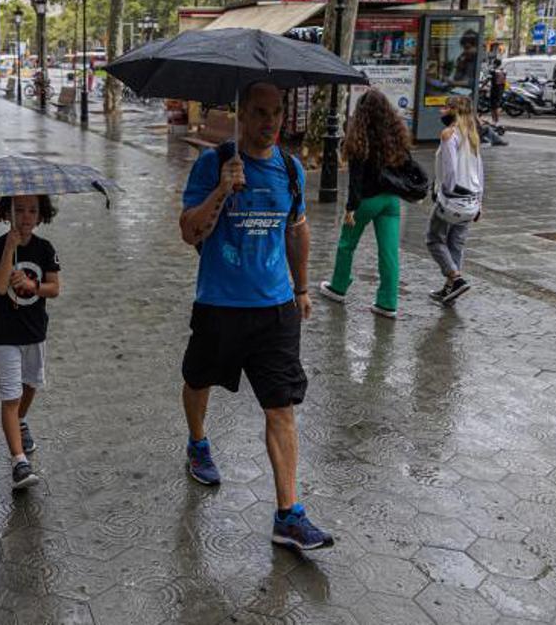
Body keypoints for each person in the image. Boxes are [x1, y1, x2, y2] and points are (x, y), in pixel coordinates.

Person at [177, 81, 333, 552]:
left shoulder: (289, 169)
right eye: (261, 113)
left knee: (280, 408)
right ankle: (198, 442)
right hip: (220, 304)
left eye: (277, 112)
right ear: (243, 114)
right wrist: (223, 188)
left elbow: (297, 230)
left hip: (275, 309)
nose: (270, 122)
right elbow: (189, 231)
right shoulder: (213, 163)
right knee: (197, 380)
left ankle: (288, 514)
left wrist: (302, 288)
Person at [0, 196, 61, 489]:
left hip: (34, 333)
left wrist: (33, 286)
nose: (26, 216)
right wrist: (9, 249)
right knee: (11, 396)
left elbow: (54, 289)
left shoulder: (45, 249)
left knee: (30, 385)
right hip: (5, 336)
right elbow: (1, 285)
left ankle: (20, 421)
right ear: (7, 213)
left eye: (32, 211)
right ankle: (19, 462)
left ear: (41, 216)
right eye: (19, 210)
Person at [317, 88, 413, 319]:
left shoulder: (359, 136)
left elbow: (356, 179)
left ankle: (338, 286)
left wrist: (350, 207)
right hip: (391, 201)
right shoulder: (396, 135)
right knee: (389, 252)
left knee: (346, 245)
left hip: (366, 200)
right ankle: (388, 302)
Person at [427, 95, 484, 305]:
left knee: (433, 238)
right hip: (471, 200)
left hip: (452, 199)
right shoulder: (473, 136)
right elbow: (480, 170)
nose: (441, 111)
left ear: (454, 111)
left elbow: (449, 172)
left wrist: (444, 193)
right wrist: (480, 201)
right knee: (456, 244)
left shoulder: (448, 135)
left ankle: (455, 279)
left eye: (445, 107)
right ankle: (450, 290)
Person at [488, 58, 506, 124]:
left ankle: (494, 120)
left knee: (493, 106)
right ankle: (496, 121)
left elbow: (488, 79)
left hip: (494, 90)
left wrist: (482, 87)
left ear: (495, 64)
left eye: (494, 63)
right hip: (501, 90)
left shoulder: (493, 71)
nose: (493, 64)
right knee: (497, 106)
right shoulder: (504, 70)